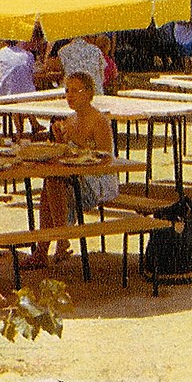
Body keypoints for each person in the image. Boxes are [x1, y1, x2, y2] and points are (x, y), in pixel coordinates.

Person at [21, 72, 118, 269]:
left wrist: (77, 142)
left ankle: (54, 243)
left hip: (98, 181)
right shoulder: (70, 119)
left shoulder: (99, 120)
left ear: (89, 94)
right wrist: (60, 140)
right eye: (67, 91)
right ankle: (50, 245)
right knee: (51, 182)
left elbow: (106, 158)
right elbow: (67, 154)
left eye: (75, 91)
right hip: (74, 177)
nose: (70, 95)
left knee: (54, 182)